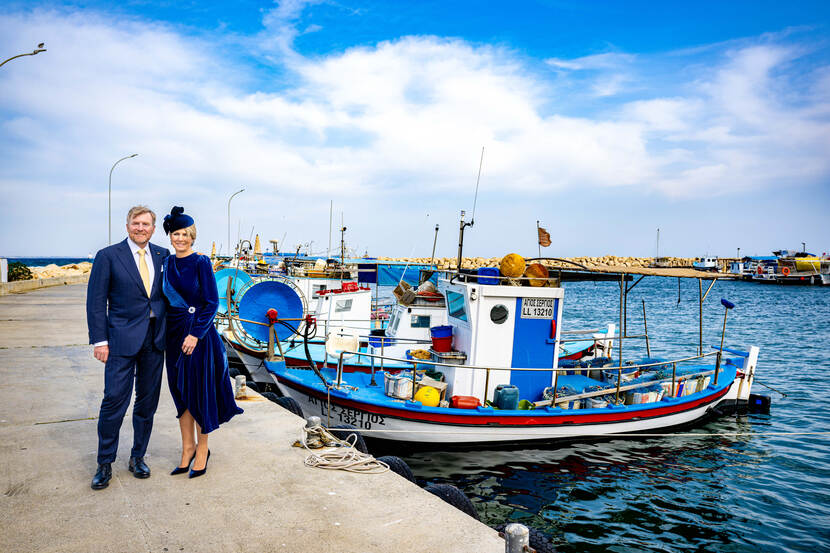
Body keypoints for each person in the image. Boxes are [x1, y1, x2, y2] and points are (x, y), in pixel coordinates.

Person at [87, 205, 170, 490]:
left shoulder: (163, 255)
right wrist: (100, 340)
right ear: (127, 225)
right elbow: (96, 303)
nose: (141, 228)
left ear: (153, 228)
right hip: (120, 340)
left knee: (147, 403)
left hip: (154, 340)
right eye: (136, 223)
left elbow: (169, 297)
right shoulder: (108, 256)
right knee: (114, 401)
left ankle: (138, 456)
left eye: (146, 224)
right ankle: (104, 462)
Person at [161, 206, 243, 478]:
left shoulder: (201, 262)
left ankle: (203, 449)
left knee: (199, 393)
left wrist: (195, 334)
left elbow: (212, 303)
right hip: (173, 336)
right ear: (170, 236)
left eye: (185, 234)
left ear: (192, 236)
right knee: (179, 394)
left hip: (198, 337)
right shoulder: (167, 264)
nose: (180, 238)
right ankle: (187, 448)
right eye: (175, 233)